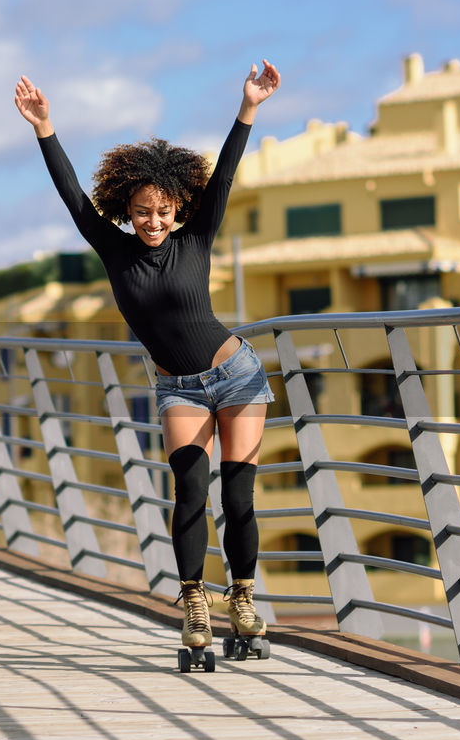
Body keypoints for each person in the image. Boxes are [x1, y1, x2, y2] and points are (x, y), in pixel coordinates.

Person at [14, 61, 281, 654]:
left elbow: (228, 173)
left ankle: (241, 597)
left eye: (162, 211)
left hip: (235, 375)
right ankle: (193, 606)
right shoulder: (114, 250)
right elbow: (71, 197)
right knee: (190, 493)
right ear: (126, 213)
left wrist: (249, 107)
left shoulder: (197, 235)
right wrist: (44, 128)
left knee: (237, 497)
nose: (153, 222)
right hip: (180, 388)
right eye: (141, 212)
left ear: (178, 208)